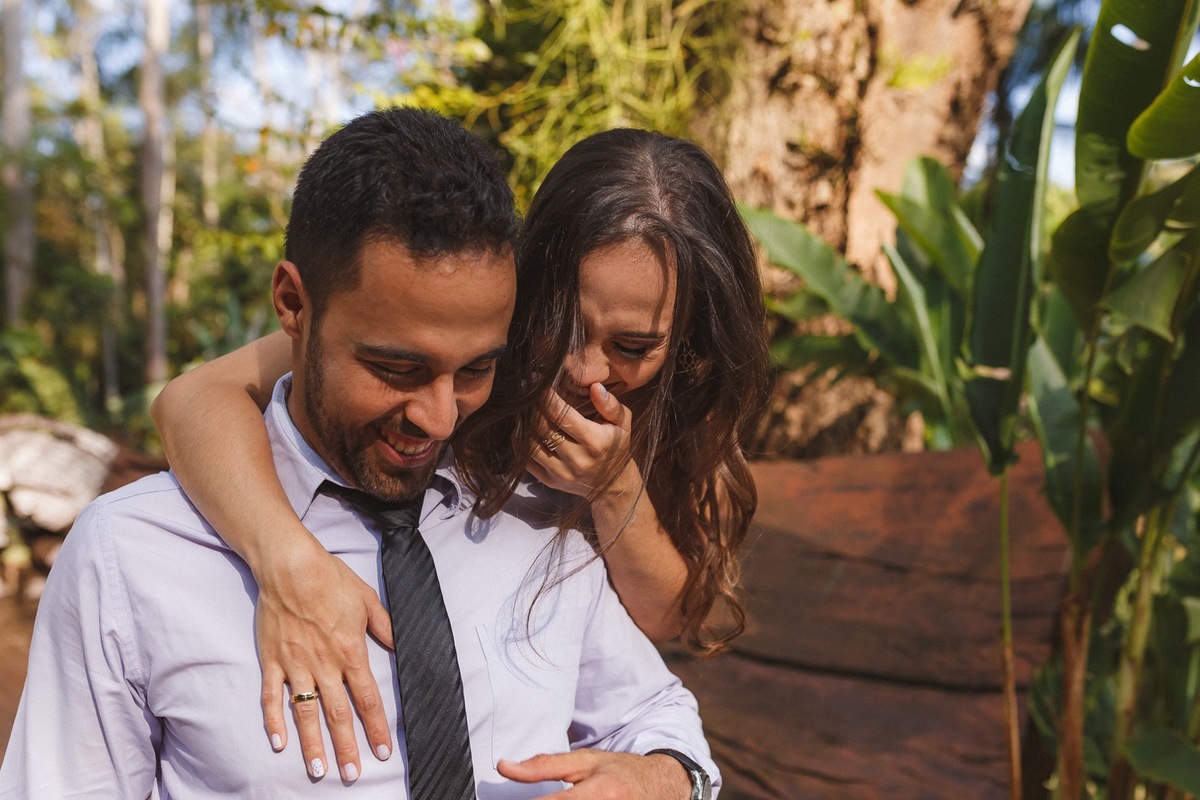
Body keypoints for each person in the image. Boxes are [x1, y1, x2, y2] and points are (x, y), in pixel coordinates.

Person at [0, 107, 717, 800]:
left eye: (476, 368)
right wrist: (284, 558)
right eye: (396, 368)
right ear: (293, 305)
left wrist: (660, 781)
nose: (440, 417)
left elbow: (659, 711)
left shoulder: (537, 520)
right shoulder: (134, 556)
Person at [149, 127, 772, 781]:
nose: (584, 368)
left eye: (633, 347)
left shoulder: (687, 403)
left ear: (688, 338)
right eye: (561, 322)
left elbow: (672, 617)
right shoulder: (454, 328)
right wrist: (287, 559)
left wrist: (615, 489)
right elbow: (192, 398)